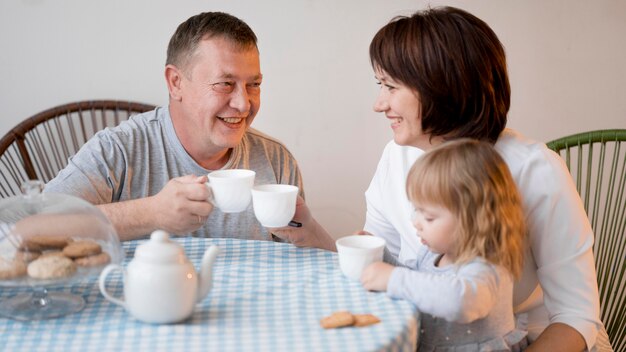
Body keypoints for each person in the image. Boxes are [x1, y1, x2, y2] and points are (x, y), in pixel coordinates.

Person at [272, 6, 609, 351]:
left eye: (390, 86)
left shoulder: (535, 170)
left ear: (439, 87)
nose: (379, 104)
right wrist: (312, 233)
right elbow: (382, 265)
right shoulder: (396, 155)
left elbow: (576, 316)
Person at [44, 12, 303, 241]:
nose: (243, 105)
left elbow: (302, 261)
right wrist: (151, 213)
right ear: (176, 82)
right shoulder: (118, 150)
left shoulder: (276, 160)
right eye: (225, 84)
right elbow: (27, 228)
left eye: (253, 85)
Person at [361, 139, 528, 351]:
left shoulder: (488, 268)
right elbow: (421, 282)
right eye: (416, 210)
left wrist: (393, 279)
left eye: (429, 217)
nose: (416, 222)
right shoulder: (434, 253)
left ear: (473, 219)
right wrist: (380, 256)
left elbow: (461, 301)